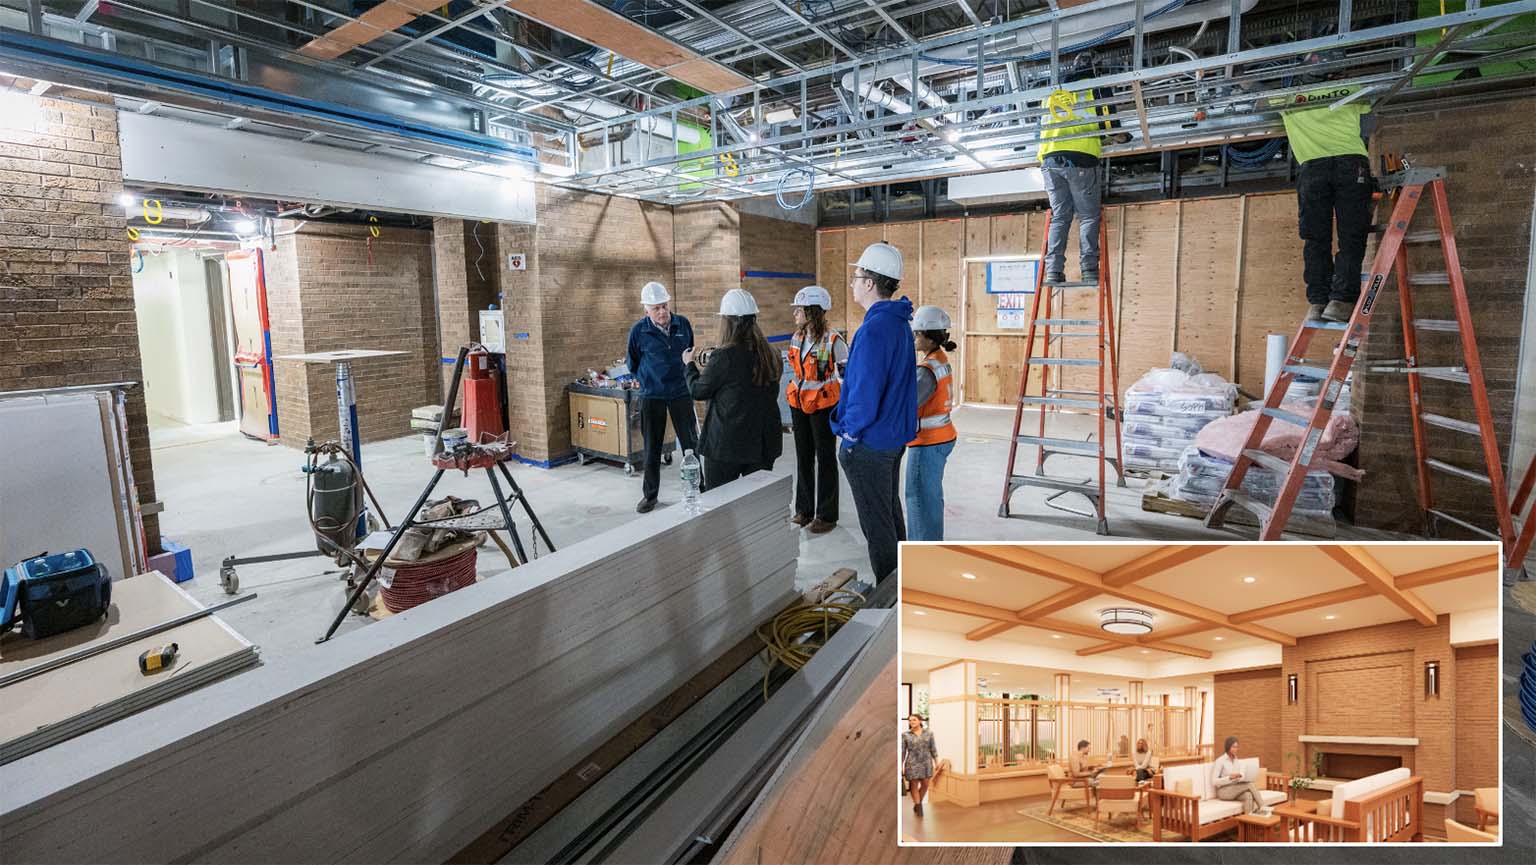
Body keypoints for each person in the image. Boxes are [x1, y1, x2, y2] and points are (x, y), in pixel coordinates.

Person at [832, 242, 916, 583]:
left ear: (869, 283)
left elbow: (866, 397)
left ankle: (891, 599)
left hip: (870, 442)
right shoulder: (897, 323)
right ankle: (903, 585)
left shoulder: (873, 328)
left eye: (856, 277)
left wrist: (850, 435)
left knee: (876, 524)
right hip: (892, 439)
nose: (852, 283)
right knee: (889, 514)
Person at [1279, 63, 1376, 324]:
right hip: (1351, 164)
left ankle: (1318, 301)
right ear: (1337, 71)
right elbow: (1369, 126)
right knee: (1351, 235)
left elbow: (1252, 92)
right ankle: (1341, 301)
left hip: (1312, 169)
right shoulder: (1353, 89)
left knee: (1315, 238)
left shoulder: (1291, 99)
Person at [1039, 51, 1130, 286]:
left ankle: (1053, 271)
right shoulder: (1096, 88)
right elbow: (1110, 127)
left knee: (1060, 217)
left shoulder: (1051, 95)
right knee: (1088, 216)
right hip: (1080, 159)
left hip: (1049, 162)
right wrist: (1121, 137)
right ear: (1093, 70)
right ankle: (1089, 269)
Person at [683, 289, 783, 490]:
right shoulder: (771, 353)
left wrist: (689, 365)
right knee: (756, 504)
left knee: (719, 504)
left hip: (728, 445)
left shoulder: (725, 356)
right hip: (762, 443)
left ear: (727, 321)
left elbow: (698, 391)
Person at [626, 281, 698, 513]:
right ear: (646, 310)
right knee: (652, 447)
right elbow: (632, 362)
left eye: (665, 306)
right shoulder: (638, 331)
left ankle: (700, 486)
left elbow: (689, 353)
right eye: (656, 308)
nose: (662, 312)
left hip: (680, 392)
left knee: (690, 444)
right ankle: (650, 496)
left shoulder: (683, 324)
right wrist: (649, 380)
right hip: (652, 395)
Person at [786, 285, 848, 534]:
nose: (795, 315)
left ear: (811, 312)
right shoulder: (797, 337)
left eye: (799, 310)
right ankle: (804, 510)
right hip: (799, 405)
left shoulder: (834, 341)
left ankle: (826, 514)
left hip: (823, 406)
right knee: (803, 457)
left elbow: (848, 377)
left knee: (825, 459)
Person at [905, 306, 957, 541]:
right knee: (930, 499)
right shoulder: (939, 360)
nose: (914, 338)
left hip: (927, 441)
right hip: (942, 437)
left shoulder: (926, 370)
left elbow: (906, 404)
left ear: (928, 336)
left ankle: (920, 554)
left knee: (920, 501)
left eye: (917, 334)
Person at [1212, 736, 1270, 816]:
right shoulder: (1220, 761)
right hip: (1223, 791)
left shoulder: (1236, 760)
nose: (1236, 749)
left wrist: (1242, 777)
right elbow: (1214, 781)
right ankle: (1263, 807)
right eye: (1234, 747)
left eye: (1237, 747)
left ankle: (1248, 821)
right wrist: (1229, 777)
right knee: (1249, 785)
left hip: (1235, 788)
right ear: (1228, 747)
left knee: (1248, 795)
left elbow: (1238, 775)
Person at [901, 714, 938, 816]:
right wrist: (901, 765)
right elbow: (902, 751)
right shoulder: (905, 735)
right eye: (910, 720)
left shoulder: (929, 733)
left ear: (920, 721)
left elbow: (933, 748)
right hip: (912, 763)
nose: (911, 722)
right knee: (914, 785)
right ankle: (919, 807)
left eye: (914, 720)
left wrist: (936, 762)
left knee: (925, 784)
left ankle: (917, 804)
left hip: (926, 763)